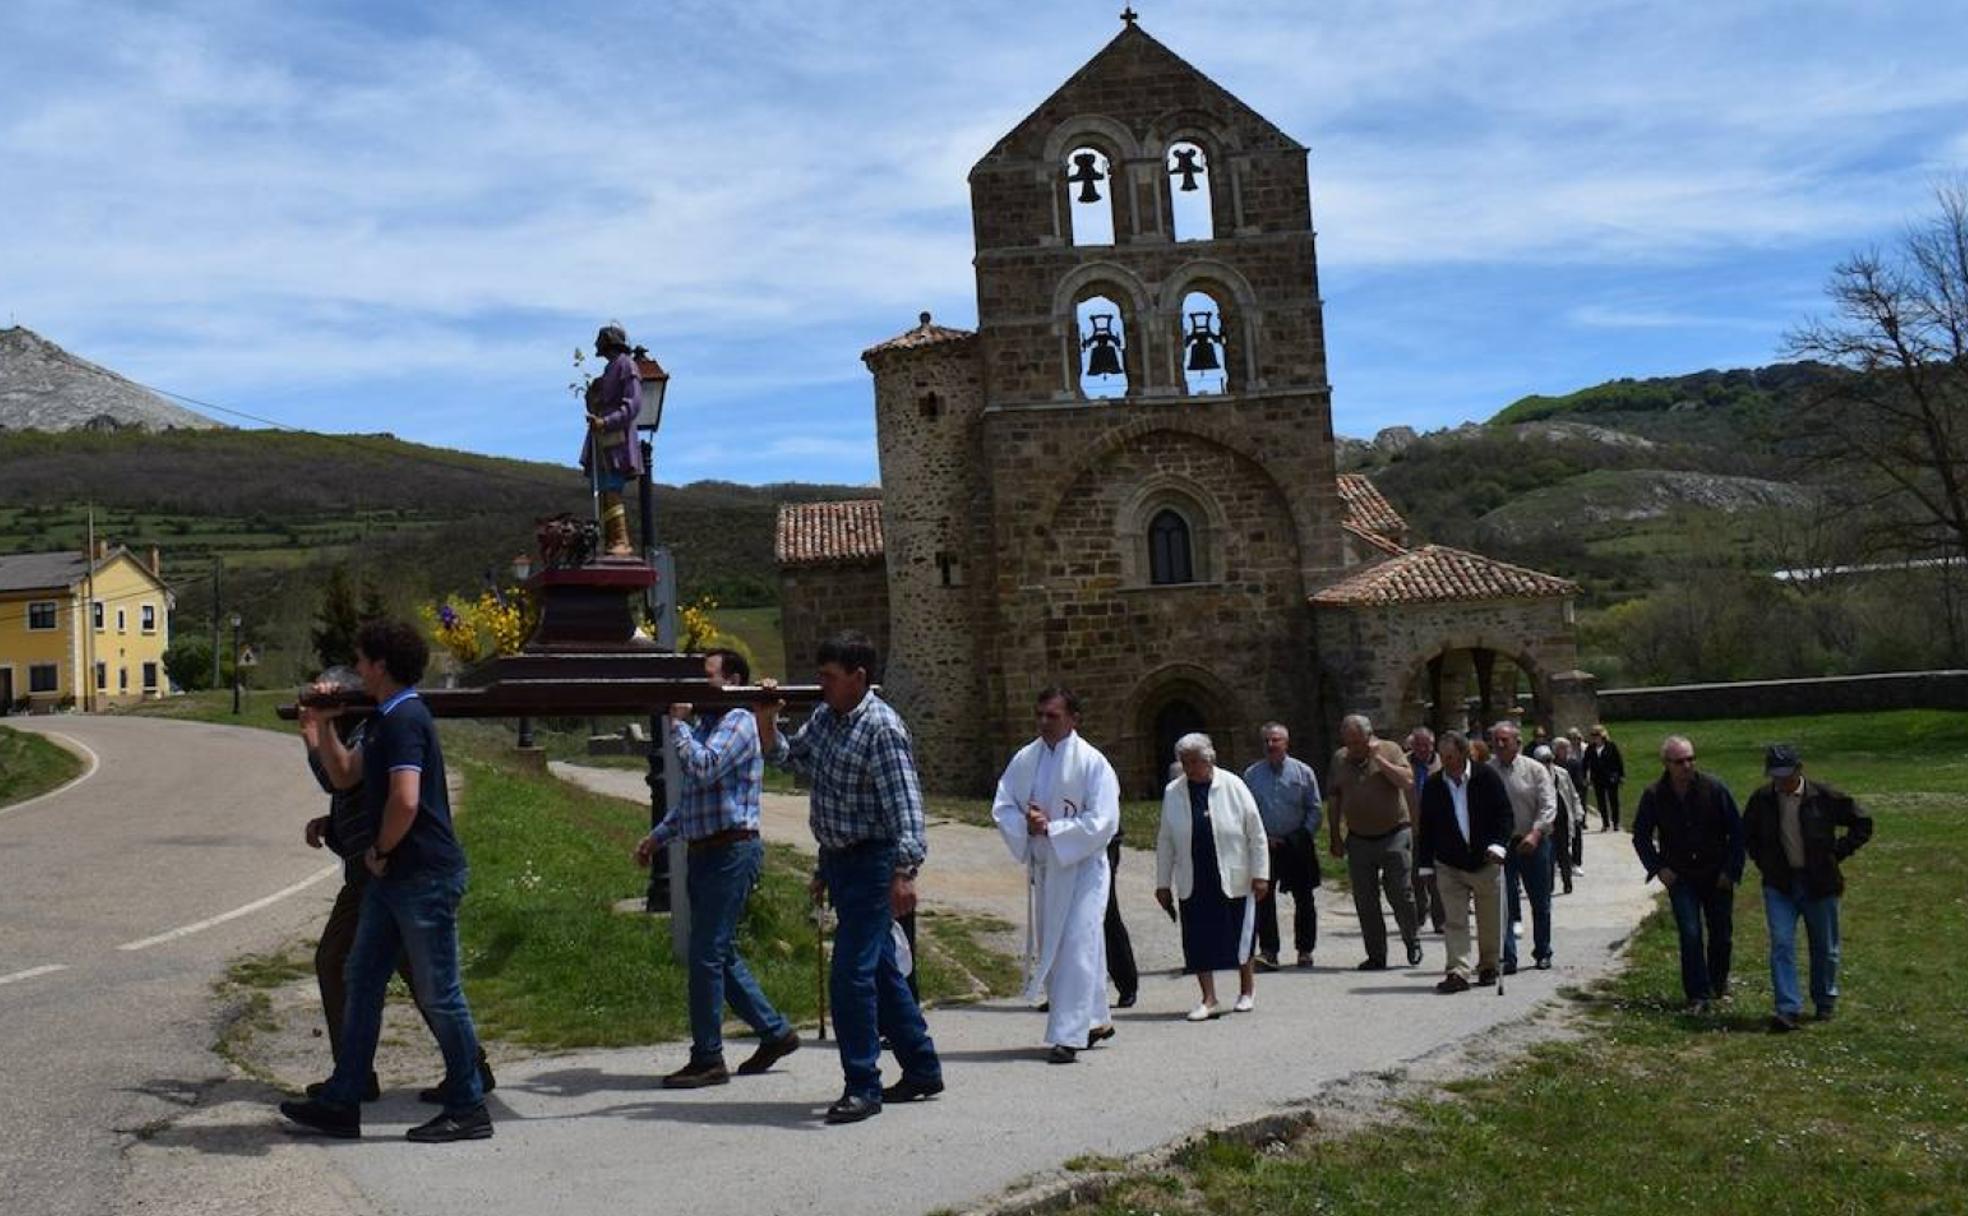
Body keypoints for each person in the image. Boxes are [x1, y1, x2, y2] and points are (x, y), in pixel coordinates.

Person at [280, 621, 490, 1142]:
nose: (356, 671)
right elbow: (346, 775)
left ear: (379, 665)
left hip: (420, 874)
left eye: (361, 661)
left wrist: (379, 849)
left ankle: (468, 1105)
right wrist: (325, 724)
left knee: (441, 994)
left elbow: (406, 799)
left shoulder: (404, 718)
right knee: (362, 978)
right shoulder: (381, 719)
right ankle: (343, 1100)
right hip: (394, 877)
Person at [757, 632, 941, 1125]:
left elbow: (907, 810)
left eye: (829, 677)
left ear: (859, 678)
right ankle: (922, 1068)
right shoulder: (827, 719)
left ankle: (863, 1084)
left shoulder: (882, 730)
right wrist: (766, 719)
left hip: (874, 864)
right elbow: (791, 760)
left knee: (852, 976)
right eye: (819, 676)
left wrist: (904, 873)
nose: (821, 685)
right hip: (843, 863)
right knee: (880, 970)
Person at [638, 648, 801, 1088]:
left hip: (731, 853)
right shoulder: (710, 725)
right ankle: (775, 1031)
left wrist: (676, 723)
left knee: (706, 954)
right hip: (708, 852)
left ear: (731, 678)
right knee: (718, 953)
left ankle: (708, 1057)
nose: (696, 685)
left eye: (705, 676)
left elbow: (705, 768)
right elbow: (696, 802)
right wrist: (660, 836)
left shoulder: (739, 722)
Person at [990, 687, 1121, 1063]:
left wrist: (1053, 829)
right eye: (1040, 715)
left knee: (1078, 945)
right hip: (1048, 871)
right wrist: (1027, 826)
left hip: (1082, 870)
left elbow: (1104, 821)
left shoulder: (1093, 762)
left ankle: (1068, 1035)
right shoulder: (1026, 759)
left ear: (1073, 718)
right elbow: (1003, 805)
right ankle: (1094, 1020)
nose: (1044, 722)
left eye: (1052, 715)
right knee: (1062, 945)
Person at [1741, 744, 1873, 1032]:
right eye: (1775, 776)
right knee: (1782, 944)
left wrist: (1837, 853)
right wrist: (1764, 862)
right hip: (1780, 884)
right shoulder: (1762, 800)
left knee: (1825, 948)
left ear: (1799, 770)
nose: (1781, 782)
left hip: (1820, 883)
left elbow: (1862, 822)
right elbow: (1747, 834)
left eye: (1786, 775)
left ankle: (1824, 1001)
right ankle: (1787, 1008)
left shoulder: (1824, 797)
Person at [1156, 733, 1270, 1020]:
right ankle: (1208, 998)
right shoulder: (1173, 791)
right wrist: (1162, 883)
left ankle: (1246, 990)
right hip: (1194, 875)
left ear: (1209, 760)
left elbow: (1255, 833)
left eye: (1195, 762)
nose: (1190, 768)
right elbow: (1166, 839)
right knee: (1198, 937)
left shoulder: (1233, 785)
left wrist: (1261, 874)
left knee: (1239, 934)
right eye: (1185, 762)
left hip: (1233, 873)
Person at [1632, 734, 1745, 1014]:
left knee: (1721, 934)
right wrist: (1658, 868)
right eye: (1680, 761)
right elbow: (1641, 836)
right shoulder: (1655, 795)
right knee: (1690, 933)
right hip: (1681, 876)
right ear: (1666, 764)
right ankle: (1697, 993)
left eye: (1690, 759)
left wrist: (1731, 870)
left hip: (1715, 873)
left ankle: (1717, 984)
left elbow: (1738, 831)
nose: (1687, 765)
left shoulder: (1714, 788)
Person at [1415, 731, 1512, 992]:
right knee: (1454, 919)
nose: (1446, 762)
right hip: (1450, 863)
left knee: (1489, 917)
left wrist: (1499, 844)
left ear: (1463, 753)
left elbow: (1504, 814)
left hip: (1484, 859)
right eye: (1443, 757)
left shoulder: (1486, 777)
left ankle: (1489, 964)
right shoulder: (1434, 786)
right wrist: (1425, 864)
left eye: (1451, 756)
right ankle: (1457, 970)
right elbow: (1427, 828)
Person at [1325, 714, 1422, 970]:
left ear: (1369, 738)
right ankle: (1376, 954)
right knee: (1365, 899)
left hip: (1394, 833)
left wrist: (1378, 759)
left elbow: (1407, 781)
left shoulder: (1390, 750)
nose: (1353, 749)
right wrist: (1335, 834)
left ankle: (1411, 939)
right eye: (1349, 743)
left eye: (1357, 743)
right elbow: (1334, 798)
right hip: (1358, 837)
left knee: (1401, 893)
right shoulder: (1340, 759)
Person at [1242, 722, 1322, 970]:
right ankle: (1269, 951)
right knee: (1263, 899)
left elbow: (1315, 809)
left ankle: (1305, 950)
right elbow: (1246, 812)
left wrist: (1302, 835)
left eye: (1275, 740)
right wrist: (1262, 837)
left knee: (1304, 898)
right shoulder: (1252, 775)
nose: (1271, 745)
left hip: (1296, 844)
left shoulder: (1303, 772)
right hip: (1265, 845)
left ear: (1286, 743)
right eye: (1266, 740)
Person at [1489, 721, 1556, 974]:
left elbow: (1549, 806)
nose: (1500, 744)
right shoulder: (1487, 772)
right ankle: (1508, 957)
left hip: (1533, 842)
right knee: (1503, 902)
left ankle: (1542, 951)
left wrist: (1536, 833)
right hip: (1502, 845)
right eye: (1496, 740)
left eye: (1505, 740)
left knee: (1540, 901)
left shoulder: (1535, 770)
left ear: (1518, 743)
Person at [580, 323, 644, 557]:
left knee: (612, 487)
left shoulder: (627, 365)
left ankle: (620, 540)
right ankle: (609, 540)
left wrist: (607, 421)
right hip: (602, 437)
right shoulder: (609, 371)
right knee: (604, 489)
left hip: (615, 437)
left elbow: (633, 404)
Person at [1404, 727, 1447, 933]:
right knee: (1414, 877)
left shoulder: (1444, 763)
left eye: (1426, 744)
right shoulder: (1403, 763)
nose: (1422, 749)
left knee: (1437, 877)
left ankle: (1440, 920)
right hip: (1410, 828)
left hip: (1438, 830)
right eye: (1418, 745)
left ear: (1433, 745)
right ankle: (1419, 915)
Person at [1535, 744, 1586, 895]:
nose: (1547, 763)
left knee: (1564, 852)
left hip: (1562, 817)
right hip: (1545, 820)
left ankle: (1567, 882)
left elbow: (1572, 794)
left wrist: (1578, 813)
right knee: (1548, 854)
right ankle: (1548, 885)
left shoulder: (1562, 773)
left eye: (1549, 759)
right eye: (1543, 760)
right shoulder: (1534, 776)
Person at [1552, 735, 1587, 875]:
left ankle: (1576, 862)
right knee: (1559, 837)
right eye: (1561, 748)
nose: (1564, 750)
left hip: (1572, 800)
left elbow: (1579, 784)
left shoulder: (1574, 764)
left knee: (1576, 833)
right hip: (1558, 804)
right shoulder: (1551, 764)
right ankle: (1561, 861)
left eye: (1566, 748)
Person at [1583, 724, 1627, 831]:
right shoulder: (1590, 748)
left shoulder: (1611, 746)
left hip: (1611, 777)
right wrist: (1585, 777)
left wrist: (1621, 776)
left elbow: (1618, 761)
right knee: (1601, 802)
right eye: (1593, 735)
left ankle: (1616, 823)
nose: (1595, 737)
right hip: (1597, 778)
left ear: (1602, 735)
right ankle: (1605, 823)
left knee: (1613, 801)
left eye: (1597, 735)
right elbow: (1585, 764)